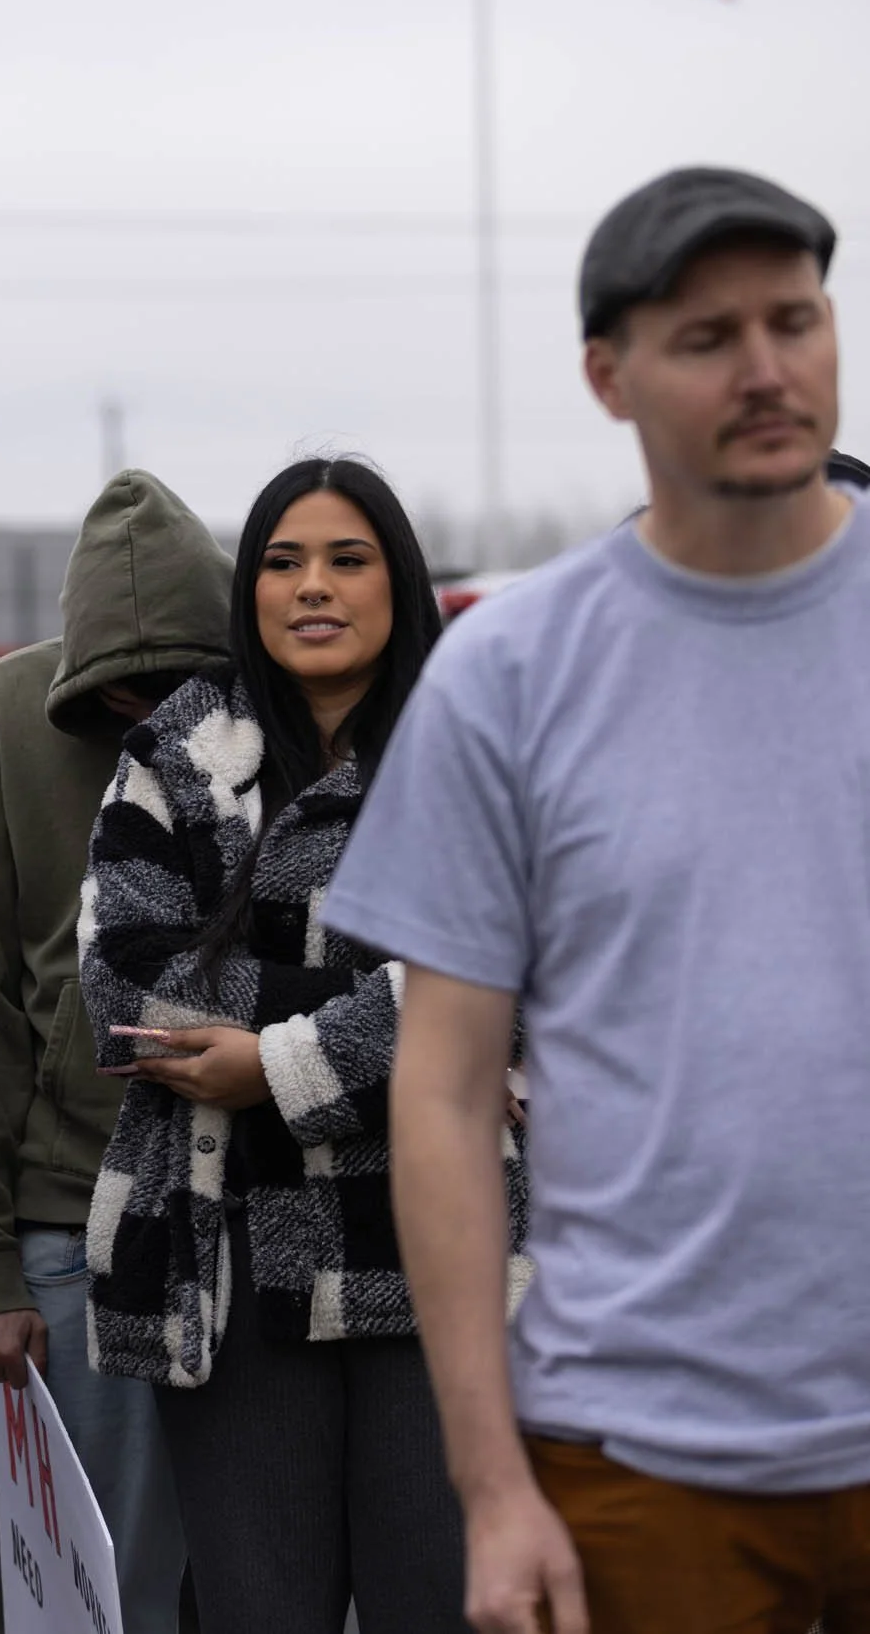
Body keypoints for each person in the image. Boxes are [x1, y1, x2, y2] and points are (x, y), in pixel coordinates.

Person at [332, 168, 870, 1634]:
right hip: (639, 1456)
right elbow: (439, 1097)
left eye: (797, 319)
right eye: (708, 337)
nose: (768, 369)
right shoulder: (510, 675)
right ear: (607, 374)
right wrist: (493, 1485)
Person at [79, 458, 529, 1633]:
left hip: (439, 1248)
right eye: (282, 562)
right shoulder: (176, 747)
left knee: (441, 1603)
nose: (311, 587)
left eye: (346, 558)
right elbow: (124, 982)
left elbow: (514, 975)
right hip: (221, 1259)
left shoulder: (480, 740)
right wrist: (385, 1001)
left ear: (399, 578)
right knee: (253, 1608)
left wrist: (267, 1062)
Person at [0, 469, 228, 1634]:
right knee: (113, 1602)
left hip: (255, 1208)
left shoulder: (279, 715)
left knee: (274, 1583)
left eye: (175, 683)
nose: (143, 709)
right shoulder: (1, 716)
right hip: (77, 1230)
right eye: (117, 689)